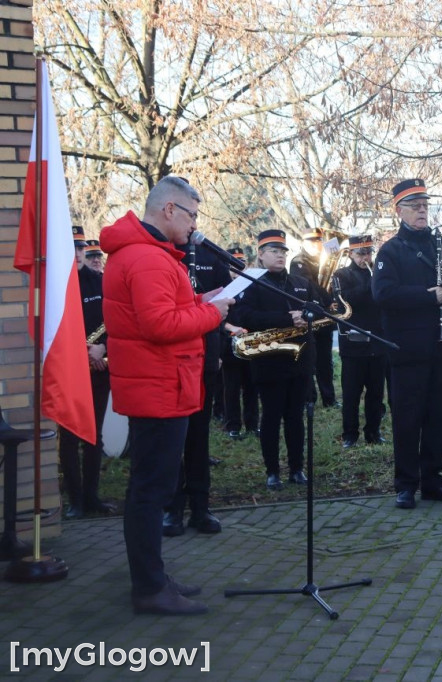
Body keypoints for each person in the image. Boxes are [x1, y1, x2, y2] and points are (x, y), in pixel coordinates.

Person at [101, 175, 232, 615]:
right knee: (151, 491)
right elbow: (160, 327)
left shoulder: (148, 255)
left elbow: (165, 311)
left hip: (158, 385)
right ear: (169, 210)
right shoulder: (149, 259)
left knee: (151, 487)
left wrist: (201, 300)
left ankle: (153, 576)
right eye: (192, 214)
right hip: (157, 388)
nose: (196, 225)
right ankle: (150, 588)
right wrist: (211, 314)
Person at [371, 179, 442, 510]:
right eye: (414, 205)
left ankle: (433, 480)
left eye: (425, 205)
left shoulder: (441, 246)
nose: (421, 210)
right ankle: (405, 484)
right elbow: (383, 295)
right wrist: (430, 297)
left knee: (438, 417)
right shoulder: (391, 251)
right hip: (407, 350)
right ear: (398, 210)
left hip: (441, 348)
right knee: (407, 419)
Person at [232, 229, 316, 490]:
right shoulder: (252, 282)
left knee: (295, 416)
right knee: (271, 416)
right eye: (274, 251)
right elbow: (243, 317)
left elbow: (319, 304)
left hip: (299, 358)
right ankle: (272, 471)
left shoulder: (300, 282)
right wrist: (286, 318)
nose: (280, 255)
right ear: (260, 254)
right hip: (269, 360)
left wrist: (310, 313)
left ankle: (296, 468)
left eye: (283, 251)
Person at [162, 240, 232, 536]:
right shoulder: (162, 253)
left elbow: (225, 301)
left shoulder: (210, 255)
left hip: (206, 352)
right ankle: (172, 508)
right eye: (188, 215)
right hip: (176, 359)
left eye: (195, 216)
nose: (193, 225)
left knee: (199, 437)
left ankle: (200, 508)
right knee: (174, 440)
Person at [59, 225, 115, 519]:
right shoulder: (57, 285)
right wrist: (82, 352)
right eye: (72, 248)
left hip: (98, 367)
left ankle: (92, 497)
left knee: (94, 436)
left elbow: (115, 321)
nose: (78, 253)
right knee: (69, 436)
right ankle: (74, 500)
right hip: (69, 369)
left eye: (81, 248)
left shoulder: (100, 281)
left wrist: (101, 348)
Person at [332, 234, 387, 448]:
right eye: (361, 253)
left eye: (369, 252)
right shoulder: (341, 274)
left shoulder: (379, 273)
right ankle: (350, 435)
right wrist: (372, 284)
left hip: (377, 340)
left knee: (375, 392)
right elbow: (346, 300)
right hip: (353, 343)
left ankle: (373, 432)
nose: (366, 257)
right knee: (352, 394)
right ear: (351, 253)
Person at [290, 228, 338, 409]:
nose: (316, 244)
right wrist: (327, 301)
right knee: (309, 359)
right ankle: (309, 398)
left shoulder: (324, 260)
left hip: (324, 315)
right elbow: (308, 286)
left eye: (318, 240)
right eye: (311, 241)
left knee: (325, 360)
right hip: (309, 315)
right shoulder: (298, 262)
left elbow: (330, 283)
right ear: (303, 243)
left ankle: (329, 398)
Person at [221, 245, 260, 440]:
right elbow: (215, 315)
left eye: (240, 262)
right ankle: (233, 426)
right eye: (233, 263)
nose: (237, 267)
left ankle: (253, 424)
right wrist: (230, 328)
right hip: (230, 342)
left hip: (251, 341)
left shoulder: (252, 285)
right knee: (232, 387)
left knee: (251, 384)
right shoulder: (222, 286)